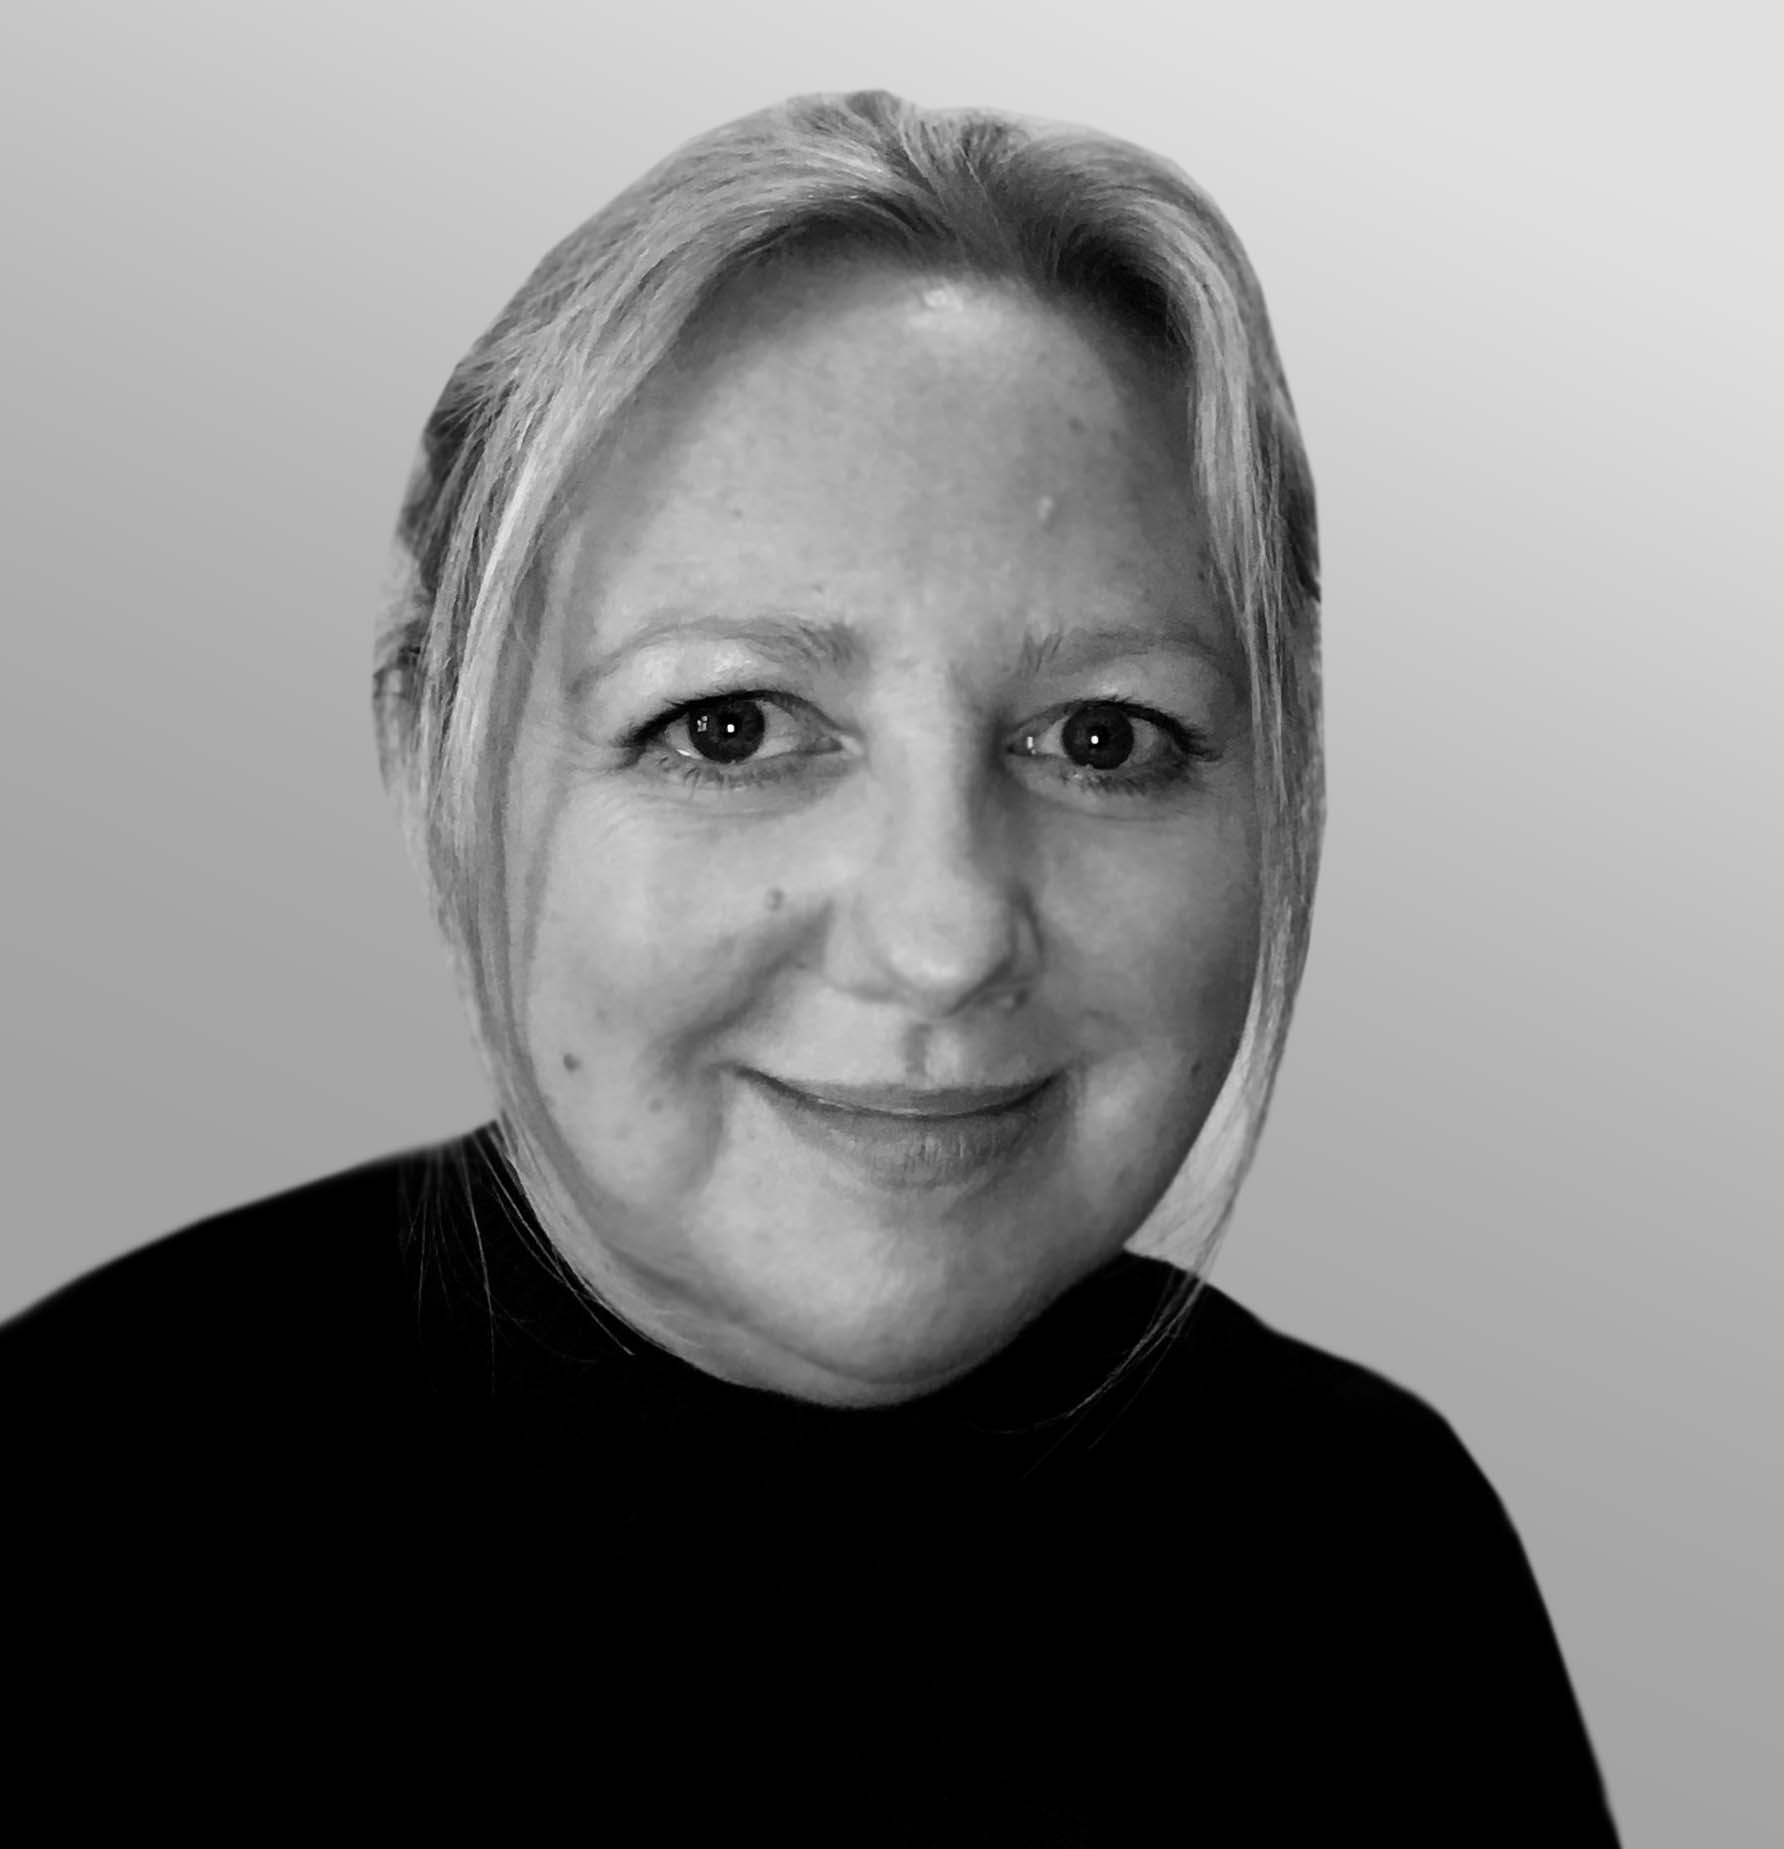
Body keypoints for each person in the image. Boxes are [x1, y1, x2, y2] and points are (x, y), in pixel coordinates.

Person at [3, 90, 1622, 1840]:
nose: (939, 934)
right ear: (432, 753)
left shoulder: (1366, 1556)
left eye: (1102, 737)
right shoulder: (61, 1526)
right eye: (726, 724)